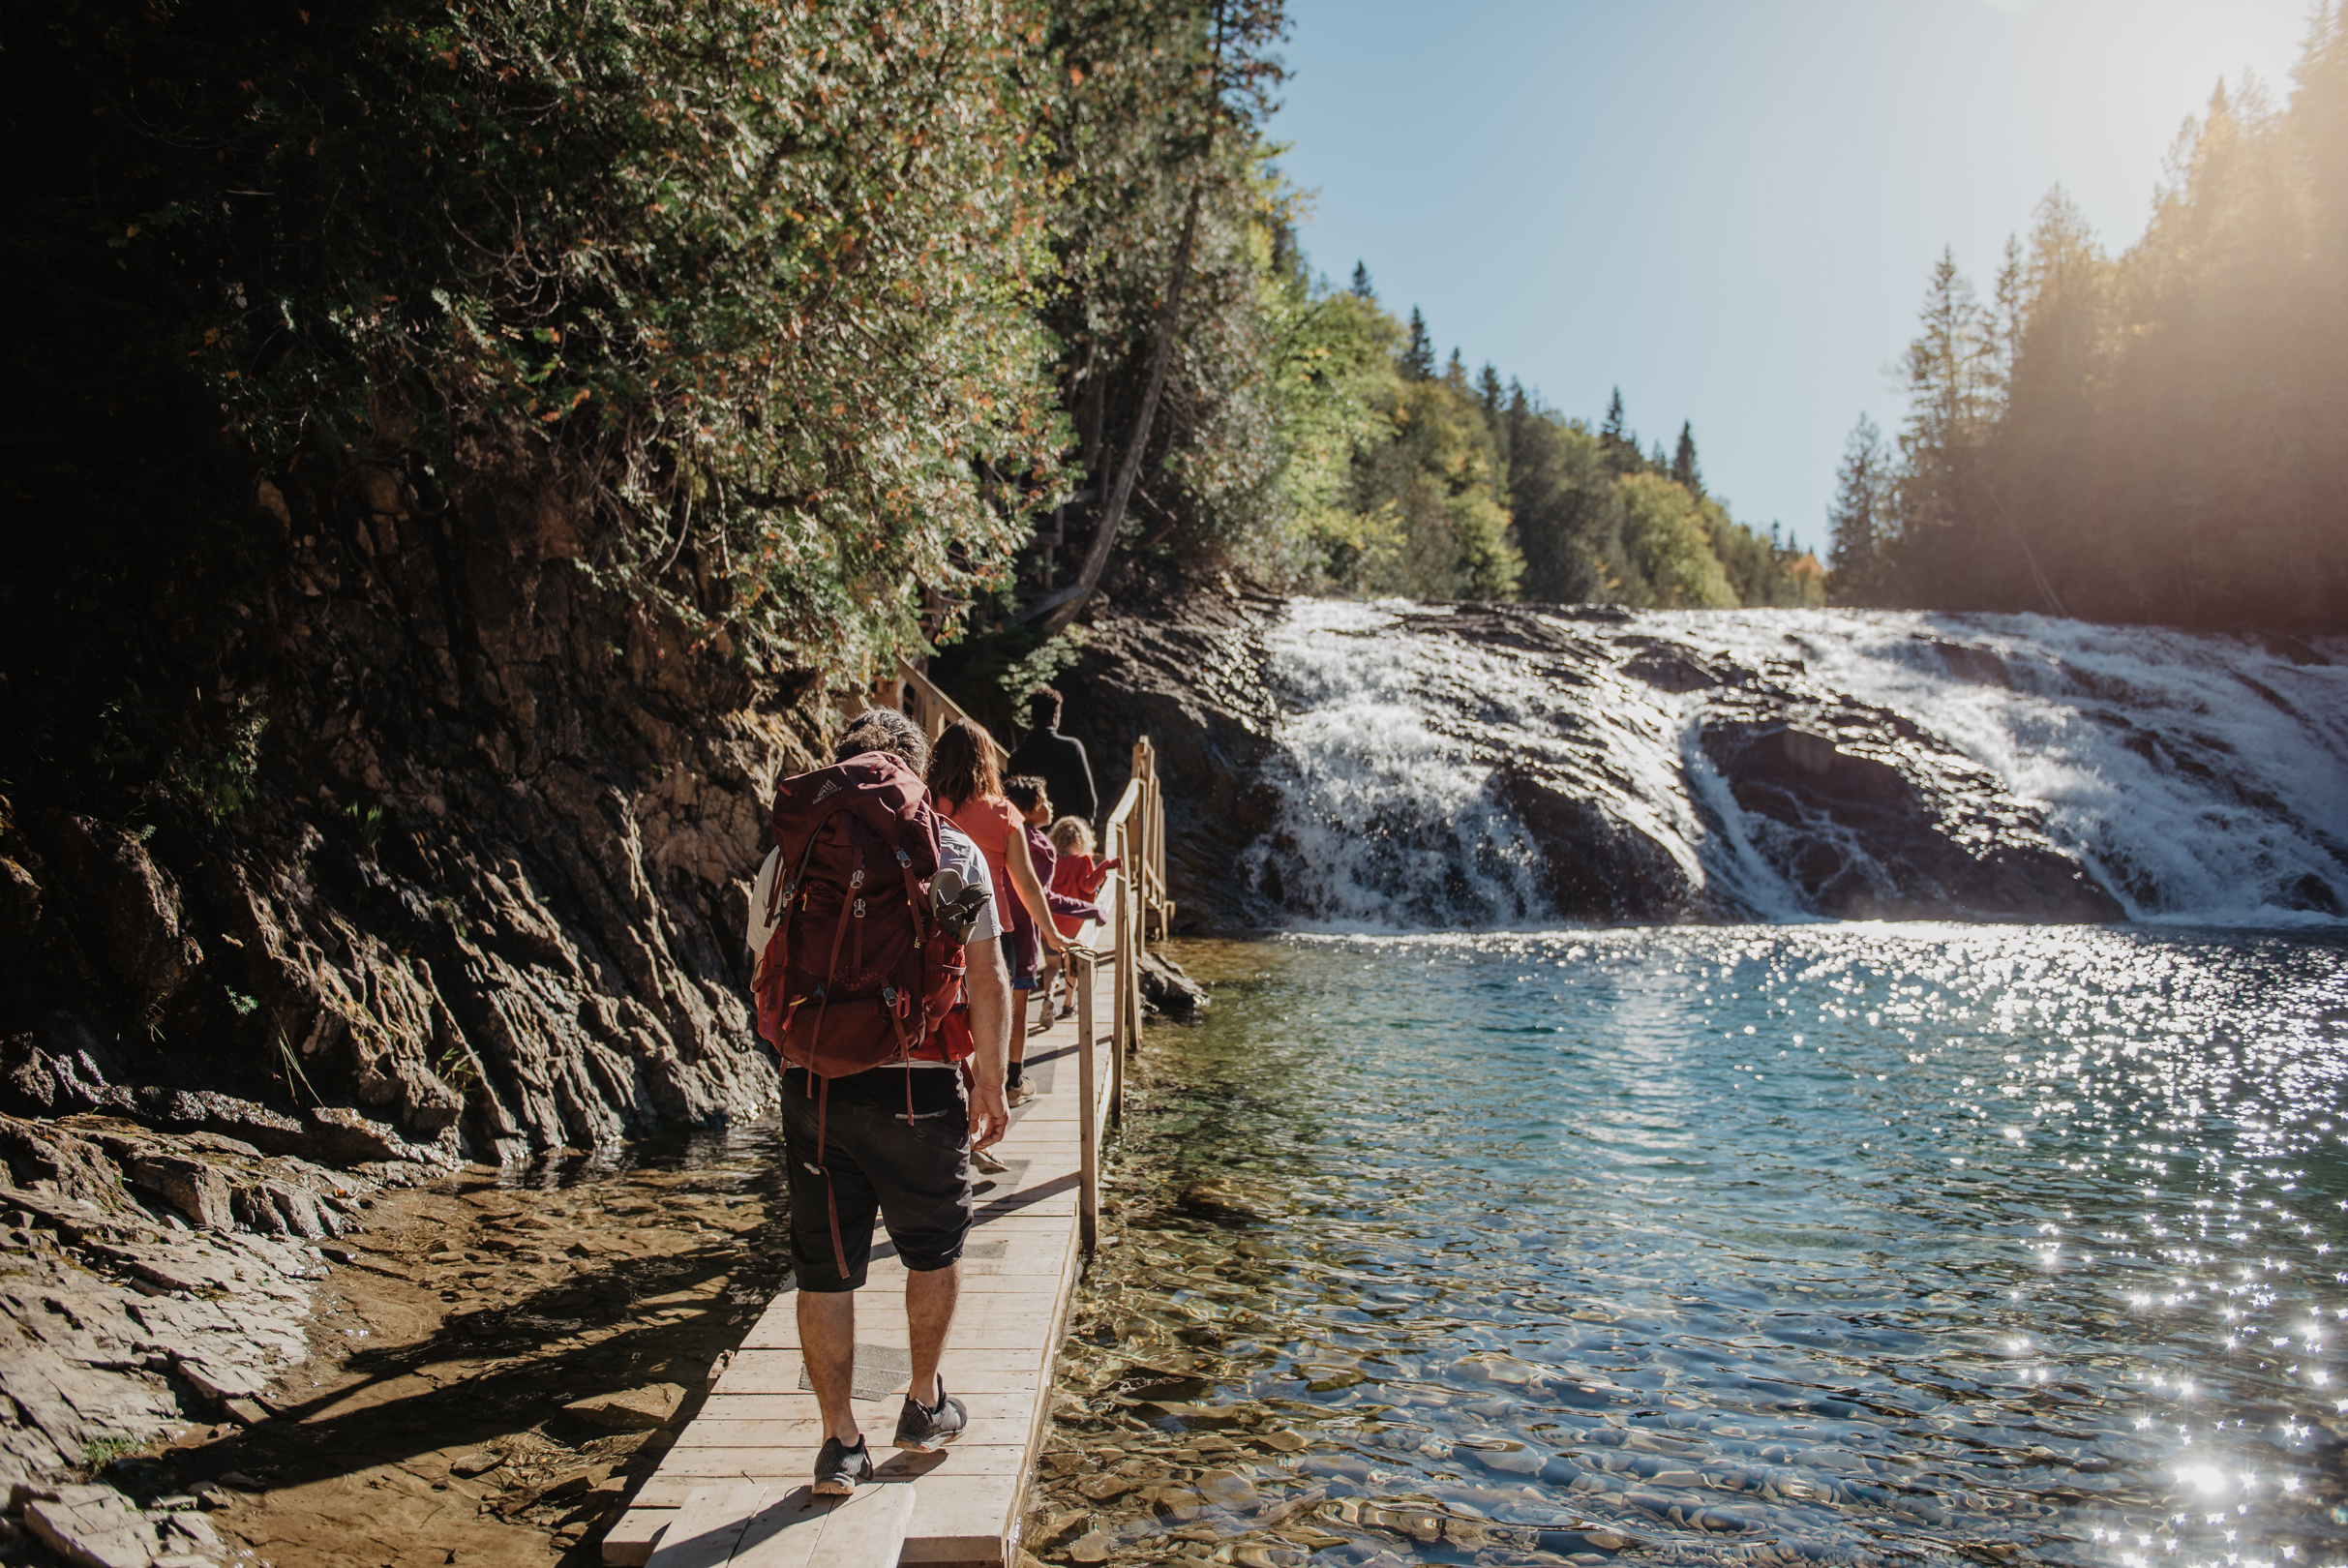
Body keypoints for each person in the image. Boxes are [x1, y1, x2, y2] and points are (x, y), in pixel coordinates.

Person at [776, 708, 1012, 1497]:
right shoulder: (943, 849)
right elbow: (986, 975)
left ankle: (841, 1443)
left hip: (816, 1085)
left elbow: (765, 967)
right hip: (917, 1082)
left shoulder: (798, 849)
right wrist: (990, 1080)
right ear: (914, 770)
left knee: (826, 1270)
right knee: (934, 1250)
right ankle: (921, 1402)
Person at [926, 721, 1065, 1106]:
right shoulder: (1002, 812)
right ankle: (1009, 1086)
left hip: (936, 928)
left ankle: (954, 1094)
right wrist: (1052, 935)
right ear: (986, 761)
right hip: (993, 929)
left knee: (948, 1015)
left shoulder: (925, 804)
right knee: (1004, 1010)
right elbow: (1027, 885)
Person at [1003, 777, 1102, 1036]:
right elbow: (1042, 896)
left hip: (995, 927)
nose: (1050, 804)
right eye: (1044, 800)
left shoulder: (998, 833)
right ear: (1029, 809)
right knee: (1019, 1010)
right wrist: (1090, 909)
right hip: (1026, 931)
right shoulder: (1039, 845)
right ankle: (1015, 1073)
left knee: (997, 1002)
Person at [1046, 816, 1118, 1021]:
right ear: (1081, 839)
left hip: (1050, 922)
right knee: (1072, 965)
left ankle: (1048, 997)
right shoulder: (1083, 861)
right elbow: (1088, 886)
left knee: (1051, 966)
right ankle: (1068, 1005)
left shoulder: (1050, 859)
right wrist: (1104, 867)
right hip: (1074, 925)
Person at [1004, 687, 1098, 829]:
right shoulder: (1072, 748)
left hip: (1030, 838)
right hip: (1066, 836)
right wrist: (1085, 828)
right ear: (1054, 717)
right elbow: (1087, 798)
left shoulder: (1017, 757)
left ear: (1033, 717)